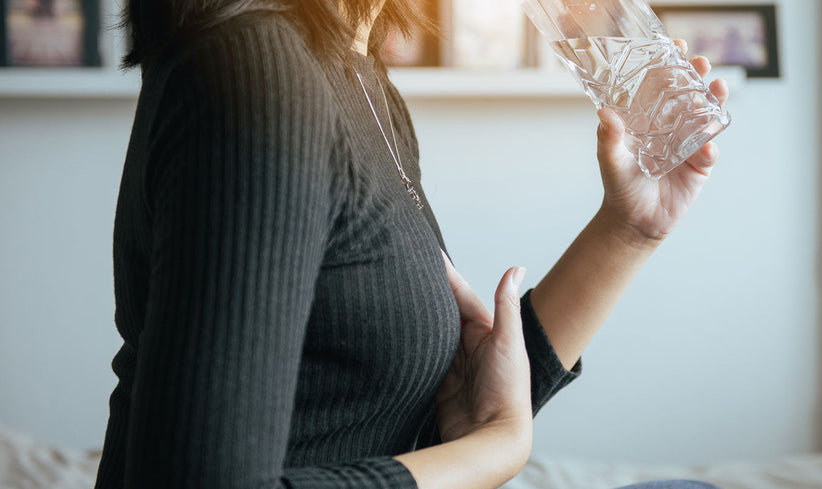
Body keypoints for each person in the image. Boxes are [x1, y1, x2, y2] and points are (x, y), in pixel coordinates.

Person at [93, 0, 728, 488]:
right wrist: (500, 451)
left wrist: (630, 229)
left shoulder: (359, 73)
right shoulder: (257, 69)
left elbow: (455, 414)